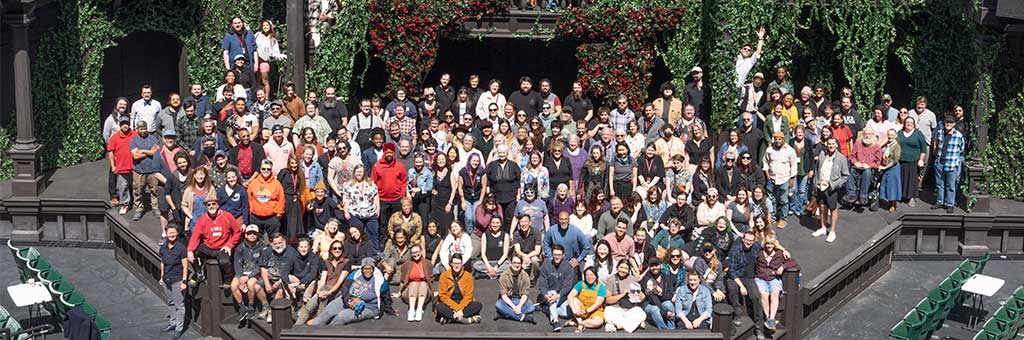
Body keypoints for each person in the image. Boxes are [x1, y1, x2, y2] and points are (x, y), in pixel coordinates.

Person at [308, 257, 390, 326]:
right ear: (362, 269)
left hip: (368, 307)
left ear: (373, 269)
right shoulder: (355, 274)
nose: (367, 271)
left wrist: (390, 310)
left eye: (370, 269)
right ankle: (312, 331)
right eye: (365, 268)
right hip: (349, 299)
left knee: (342, 316)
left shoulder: (380, 281)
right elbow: (345, 288)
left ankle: (328, 332)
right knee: (329, 310)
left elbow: (386, 297)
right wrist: (349, 301)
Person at [294, 239, 349, 325]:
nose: (337, 250)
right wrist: (318, 292)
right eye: (334, 248)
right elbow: (323, 279)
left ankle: (318, 326)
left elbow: (339, 282)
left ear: (342, 250)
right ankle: (296, 327)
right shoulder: (326, 262)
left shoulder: (346, 262)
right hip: (325, 288)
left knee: (323, 301)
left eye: (339, 248)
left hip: (337, 291)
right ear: (331, 250)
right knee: (308, 307)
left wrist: (328, 292)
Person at [187, 194, 240, 278]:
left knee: (224, 262)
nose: (211, 206)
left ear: (218, 205)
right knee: (191, 253)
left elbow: (237, 232)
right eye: (209, 205)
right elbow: (195, 236)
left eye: (213, 204)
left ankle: (228, 278)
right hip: (208, 247)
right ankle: (199, 272)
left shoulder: (227, 216)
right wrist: (190, 250)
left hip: (222, 248)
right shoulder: (202, 220)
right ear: (206, 207)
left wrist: (229, 245)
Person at [728, 231, 765, 339]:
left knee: (756, 297)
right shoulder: (736, 250)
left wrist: (784, 250)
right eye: (747, 239)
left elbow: (770, 243)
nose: (748, 242)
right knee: (732, 289)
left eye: (751, 240)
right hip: (736, 277)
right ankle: (737, 313)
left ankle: (759, 327)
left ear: (754, 241)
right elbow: (732, 271)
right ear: (743, 239)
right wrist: (741, 286)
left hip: (749, 278)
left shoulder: (756, 246)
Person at [811, 137, 849, 243]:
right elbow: (817, 169)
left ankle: (832, 231)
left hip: (832, 187)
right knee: (822, 207)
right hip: (820, 186)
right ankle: (823, 228)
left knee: (832, 209)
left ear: (836, 145)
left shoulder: (841, 158)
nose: (831, 146)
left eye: (833, 144)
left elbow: (845, 175)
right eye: (829, 144)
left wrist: (835, 185)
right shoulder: (822, 155)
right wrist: (816, 182)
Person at [341, 163, 381, 253]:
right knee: (356, 235)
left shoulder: (371, 183)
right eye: (357, 172)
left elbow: (376, 195)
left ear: (364, 173)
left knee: (373, 234)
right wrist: (345, 211)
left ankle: (374, 253)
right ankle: (357, 253)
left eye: (361, 172)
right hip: (355, 214)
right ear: (354, 173)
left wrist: (378, 208)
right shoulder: (349, 185)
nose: (359, 174)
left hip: (370, 213)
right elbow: (346, 198)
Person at [231, 225, 266, 323]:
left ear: (258, 235)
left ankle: (251, 306)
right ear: (245, 235)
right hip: (243, 273)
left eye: (254, 233)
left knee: (251, 284)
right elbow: (237, 263)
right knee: (233, 286)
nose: (252, 235)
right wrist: (240, 276)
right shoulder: (240, 247)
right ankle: (242, 307)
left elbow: (260, 265)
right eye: (249, 233)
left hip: (255, 273)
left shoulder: (263, 247)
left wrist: (248, 277)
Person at [158, 225, 188, 340]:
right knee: (170, 302)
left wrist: (184, 282)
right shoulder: (163, 247)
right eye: (170, 233)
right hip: (166, 279)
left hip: (177, 280)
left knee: (179, 305)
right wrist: (161, 277)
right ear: (166, 233)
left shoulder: (181, 248)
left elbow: (185, 266)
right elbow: (162, 263)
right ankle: (172, 323)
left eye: (174, 233)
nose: (172, 235)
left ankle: (179, 328)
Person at [763, 131, 798, 227]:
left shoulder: (790, 150)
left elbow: (794, 165)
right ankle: (773, 216)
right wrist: (767, 174)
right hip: (772, 178)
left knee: (783, 200)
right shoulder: (769, 149)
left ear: (783, 139)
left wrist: (792, 179)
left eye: (780, 139)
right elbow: (765, 162)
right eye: (776, 139)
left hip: (784, 178)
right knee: (771, 199)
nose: (777, 141)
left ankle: (783, 218)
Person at [538, 245, 576, 331]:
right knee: (552, 294)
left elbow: (567, 286)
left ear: (563, 255)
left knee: (567, 313)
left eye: (559, 255)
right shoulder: (545, 266)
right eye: (555, 254)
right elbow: (542, 285)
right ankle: (555, 321)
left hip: (562, 296)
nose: (557, 257)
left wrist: (559, 296)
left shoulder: (568, 267)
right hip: (550, 295)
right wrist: (546, 295)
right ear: (552, 255)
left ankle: (546, 309)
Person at [435, 255, 483, 324]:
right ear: (451, 264)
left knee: (478, 305)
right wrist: (457, 308)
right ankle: (466, 319)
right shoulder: (444, 276)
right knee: (439, 307)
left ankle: (450, 318)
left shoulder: (468, 276)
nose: (456, 266)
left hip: (464, 303)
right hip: (449, 303)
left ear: (462, 264)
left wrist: (459, 309)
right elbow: (443, 296)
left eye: (458, 263)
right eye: (454, 263)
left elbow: (468, 296)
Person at [932, 115, 965, 213]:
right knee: (939, 184)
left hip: (951, 164)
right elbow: (936, 144)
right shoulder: (940, 133)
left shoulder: (958, 136)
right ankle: (939, 202)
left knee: (951, 186)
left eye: (950, 123)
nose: (948, 124)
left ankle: (950, 204)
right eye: (947, 122)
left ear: (954, 124)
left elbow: (961, 149)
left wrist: (956, 161)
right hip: (939, 162)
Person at [483, 145, 522, 226]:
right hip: (496, 197)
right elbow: (488, 181)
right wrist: (488, 193)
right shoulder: (492, 165)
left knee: (509, 218)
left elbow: (518, 181)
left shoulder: (513, 165)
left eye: (504, 153)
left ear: (507, 154)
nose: (502, 155)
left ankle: (508, 235)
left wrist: (518, 195)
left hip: (511, 197)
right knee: (497, 217)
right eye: (500, 153)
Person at [756, 234, 787, 331]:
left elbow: (792, 261)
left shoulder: (779, 254)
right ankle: (768, 317)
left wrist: (783, 267)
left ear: (775, 245)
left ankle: (772, 318)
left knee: (775, 293)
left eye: (771, 244)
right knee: (764, 294)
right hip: (761, 278)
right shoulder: (760, 253)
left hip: (773, 278)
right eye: (767, 244)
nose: (769, 246)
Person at [108, 116, 137, 215]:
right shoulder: (114, 137)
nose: (125, 125)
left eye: (127, 123)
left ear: (129, 124)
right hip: (121, 167)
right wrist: (113, 166)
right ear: (120, 125)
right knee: (123, 187)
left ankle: (138, 205)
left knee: (136, 187)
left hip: (134, 167)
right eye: (123, 124)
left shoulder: (135, 135)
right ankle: (125, 204)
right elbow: (111, 153)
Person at [844, 129, 881, 207]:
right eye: (865, 134)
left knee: (867, 172)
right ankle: (851, 194)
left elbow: (878, 162)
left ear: (873, 135)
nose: (867, 136)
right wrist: (855, 162)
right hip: (858, 167)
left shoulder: (877, 147)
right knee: (851, 170)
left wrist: (869, 165)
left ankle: (863, 196)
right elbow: (851, 157)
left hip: (869, 169)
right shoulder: (857, 144)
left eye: (869, 134)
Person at [248, 159, 285, 236]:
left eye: (268, 169)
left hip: (272, 218)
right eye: (263, 169)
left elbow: (281, 200)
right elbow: (249, 198)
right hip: (255, 218)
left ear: (271, 170)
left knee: (274, 241)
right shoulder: (254, 183)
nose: (266, 171)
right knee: (257, 241)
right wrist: (250, 211)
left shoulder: (276, 184)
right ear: (260, 169)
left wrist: (278, 215)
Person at [494, 254, 536, 323]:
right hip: (508, 300)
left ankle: (505, 314)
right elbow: (503, 295)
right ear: (511, 263)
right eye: (514, 263)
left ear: (521, 264)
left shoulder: (525, 276)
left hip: (519, 300)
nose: (517, 265)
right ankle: (523, 317)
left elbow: (525, 294)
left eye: (519, 263)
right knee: (498, 305)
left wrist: (519, 306)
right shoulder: (504, 275)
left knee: (531, 307)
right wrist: (514, 307)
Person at [898, 117, 928, 207]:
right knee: (902, 179)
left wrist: (921, 159)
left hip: (913, 161)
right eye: (907, 122)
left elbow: (924, 148)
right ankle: (902, 195)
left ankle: (911, 197)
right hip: (901, 161)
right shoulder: (899, 133)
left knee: (912, 180)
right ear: (904, 123)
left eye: (911, 122)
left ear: (914, 124)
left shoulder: (918, 133)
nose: (909, 124)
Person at [566, 267, 607, 332]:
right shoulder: (581, 284)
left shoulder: (601, 287)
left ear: (596, 276)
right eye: (587, 275)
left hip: (595, 310)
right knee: (574, 299)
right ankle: (580, 324)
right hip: (581, 309)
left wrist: (586, 311)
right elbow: (570, 296)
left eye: (591, 275)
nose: (589, 277)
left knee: (598, 322)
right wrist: (574, 311)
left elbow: (597, 304)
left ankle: (579, 323)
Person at [639, 258, 676, 329]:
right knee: (655, 309)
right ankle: (664, 331)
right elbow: (653, 298)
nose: (654, 268)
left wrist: (661, 294)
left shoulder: (666, 277)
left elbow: (670, 294)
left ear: (661, 266)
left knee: (668, 304)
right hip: (648, 304)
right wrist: (664, 313)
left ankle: (672, 328)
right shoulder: (646, 279)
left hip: (662, 302)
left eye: (656, 265)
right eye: (652, 266)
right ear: (649, 267)